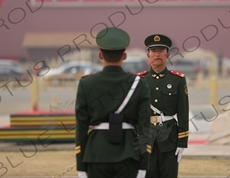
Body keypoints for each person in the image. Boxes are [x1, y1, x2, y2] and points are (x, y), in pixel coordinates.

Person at [75, 27, 151, 178]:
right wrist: (144, 166)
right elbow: (144, 128)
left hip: (96, 153)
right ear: (124, 56)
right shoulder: (139, 83)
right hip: (128, 152)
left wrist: (81, 167)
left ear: (100, 55)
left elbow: (81, 128)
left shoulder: (86, 84)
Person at [136, 34, 189, 178]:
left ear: (168, 54)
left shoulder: (178, 80)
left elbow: (183, 112)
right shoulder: (139, 80)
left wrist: (182, 141)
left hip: (170, 139)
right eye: (153, 51)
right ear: (148, 55)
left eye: (160, 50)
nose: (157, 54)